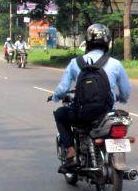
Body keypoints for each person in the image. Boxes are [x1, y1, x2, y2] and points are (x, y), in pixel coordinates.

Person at [50, 23, 131, 174]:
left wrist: (55, 96)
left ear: (87, 41)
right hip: (106, 113)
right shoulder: (115, 64)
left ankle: (70, 151)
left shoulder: (76, 63)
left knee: (60, 114)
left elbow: (62, 88)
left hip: (82, 114)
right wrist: (120, 97)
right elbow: (126, 92)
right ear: (107, 42)